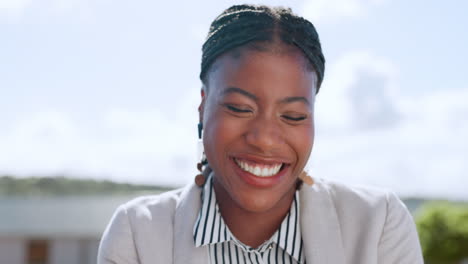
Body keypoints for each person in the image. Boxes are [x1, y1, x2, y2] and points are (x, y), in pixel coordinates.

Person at [97, 4, 423, 264]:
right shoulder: (137, 232)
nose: (265, 139)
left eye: (293, 116)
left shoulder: (378, 223)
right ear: (203, 106)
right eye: (240, 108)